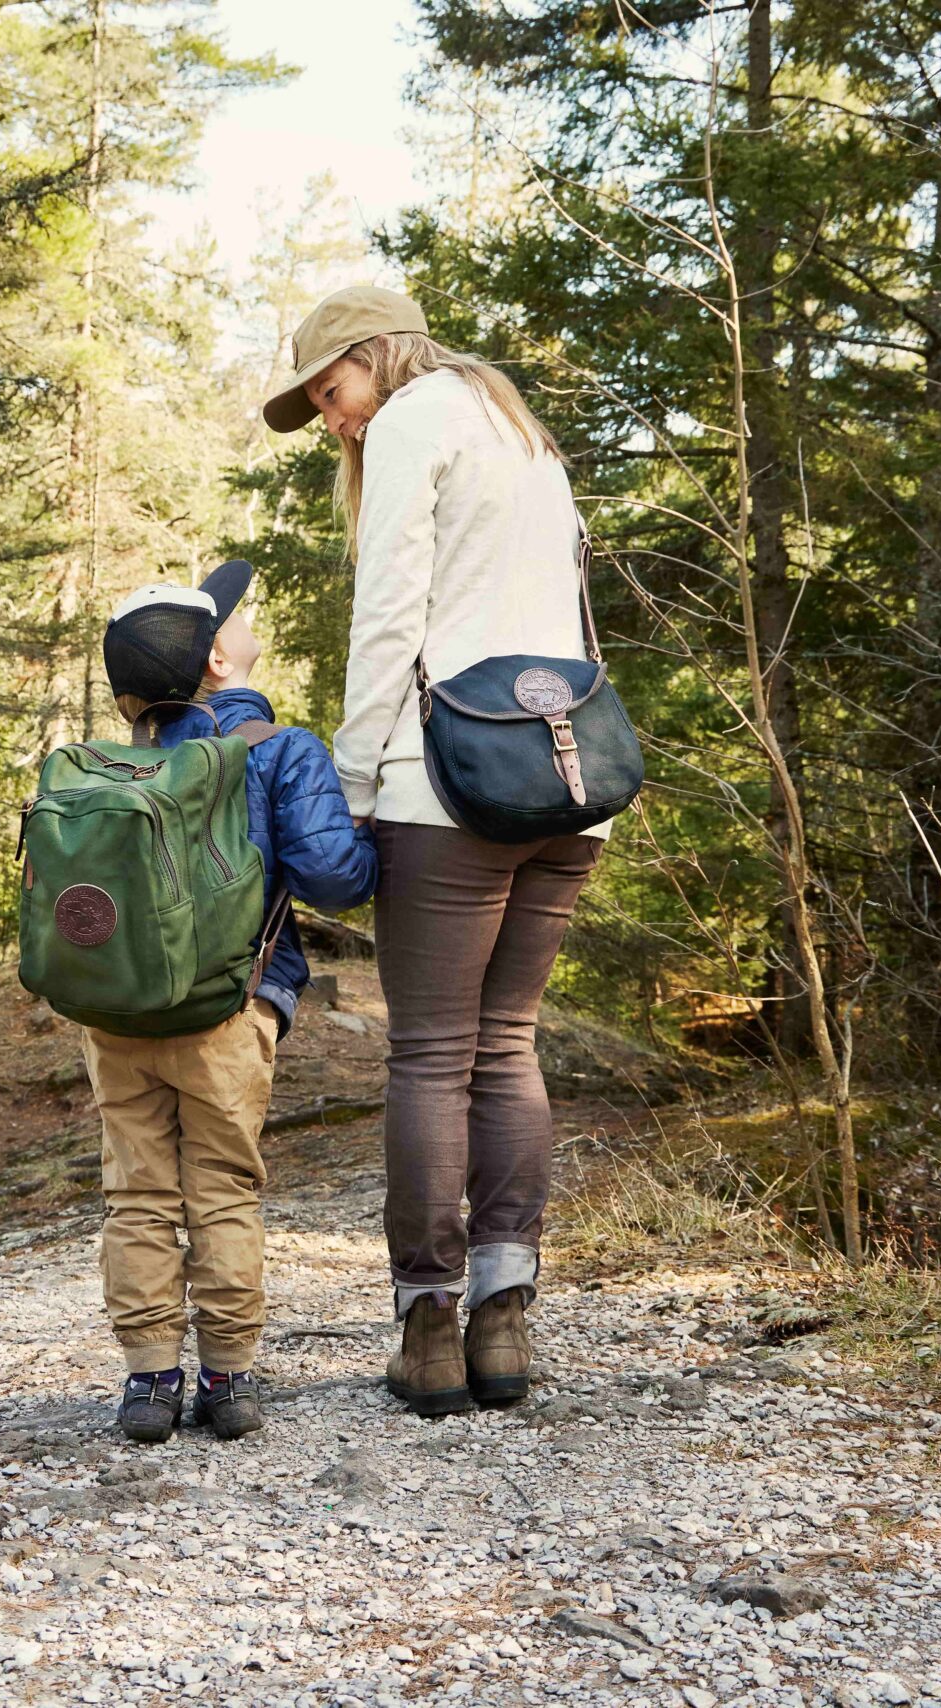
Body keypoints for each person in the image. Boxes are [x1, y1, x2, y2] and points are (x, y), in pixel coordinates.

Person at [259, 286, 610, 1417]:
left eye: (330, 388)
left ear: (377, 357)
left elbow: (389, 616)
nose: (332, 418)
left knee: (429, 1054)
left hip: (444, 779)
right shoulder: (517, 423)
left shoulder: (414, 417)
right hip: (566, 780)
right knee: (505, 1044)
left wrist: (355, 784)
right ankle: (503, 1319)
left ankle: (427, 1326)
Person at [89, 560, 379, 1443]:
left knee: (136, 1193)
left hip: (118, 1016)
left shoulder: (111, 766)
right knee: (221, 1190)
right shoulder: (281, 749)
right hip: (230, 1009)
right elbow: (336, 877)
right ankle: (227, 1378)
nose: (247, 625)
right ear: (218, 659)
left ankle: (148, 1383)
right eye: (236, 621)